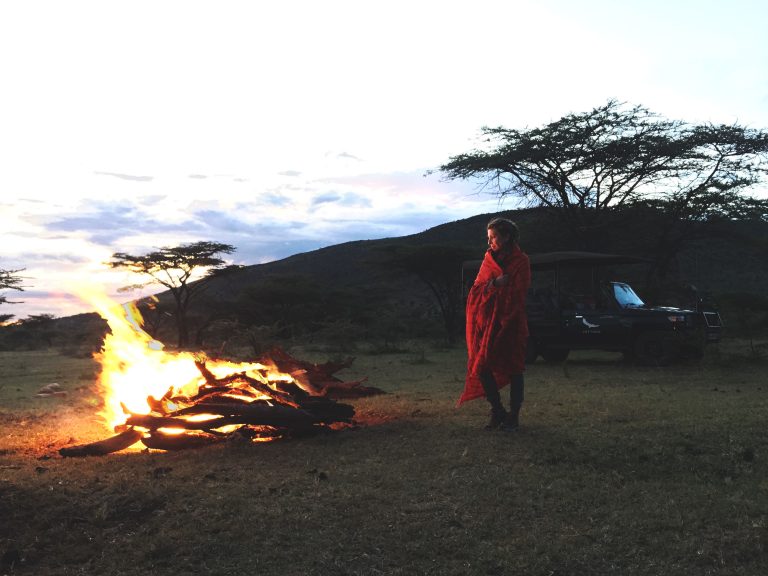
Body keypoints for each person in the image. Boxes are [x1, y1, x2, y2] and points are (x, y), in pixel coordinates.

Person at [459, 217, 531, 431]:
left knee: (515, 369)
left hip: (511, 322)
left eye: (493, 237)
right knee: (482, 365)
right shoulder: (488, 259)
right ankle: (498, 410)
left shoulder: (521, 261)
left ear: (506, 237)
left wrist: (501, 297)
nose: (489, 242)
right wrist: (494, 284)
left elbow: (519, 294)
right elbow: (476, 290)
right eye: (488, 238)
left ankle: (514, 416)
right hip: (488, 323)